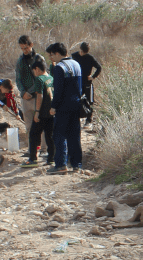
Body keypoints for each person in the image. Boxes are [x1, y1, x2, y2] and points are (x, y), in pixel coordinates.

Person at [47, 42, 84, 174]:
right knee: (75, 136)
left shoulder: (59, 67)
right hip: (76, 104)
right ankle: (76, 164)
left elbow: (58, 91)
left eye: (51, 55)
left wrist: (53, 107)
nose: (51, 58)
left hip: (63, 107)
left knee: (59, 135)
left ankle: (61, 164)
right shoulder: (76, 64)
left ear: (57, 53)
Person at [14, 35, 45, 138]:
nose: (24, 51)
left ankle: (43, 146)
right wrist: (23, 92)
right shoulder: (20, 61)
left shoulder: (39, 59)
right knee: (29, 126)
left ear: (31, 45)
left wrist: (30, 91)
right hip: (25, 98)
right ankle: (32, 146)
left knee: (41, 124)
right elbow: (18, 79)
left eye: (26, 48)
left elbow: (42, 78)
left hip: (38, 96)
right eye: (22, 48)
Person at [28, 62, 55, 167]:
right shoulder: (51, 78)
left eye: (34, 71)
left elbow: (40, 96)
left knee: (33, 134)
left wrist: (37, 112)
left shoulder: (39, 79)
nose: (34, 73)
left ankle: (32, 159)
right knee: (49, 136)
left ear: (37, 69)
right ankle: (51, 158)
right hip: (51, 112)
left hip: (42, 113)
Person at [72, 41, 102, 126]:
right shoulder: (74, 56)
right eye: (82, 52)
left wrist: (93, 76)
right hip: (77, 83)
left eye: (84, 53)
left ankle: (89, 120)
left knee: (89, 101)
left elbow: (99, 67)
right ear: (80, 50)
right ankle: (76, 118)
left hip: (88, 83)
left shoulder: (90, 58)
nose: (82, 54)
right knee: (76, 101)